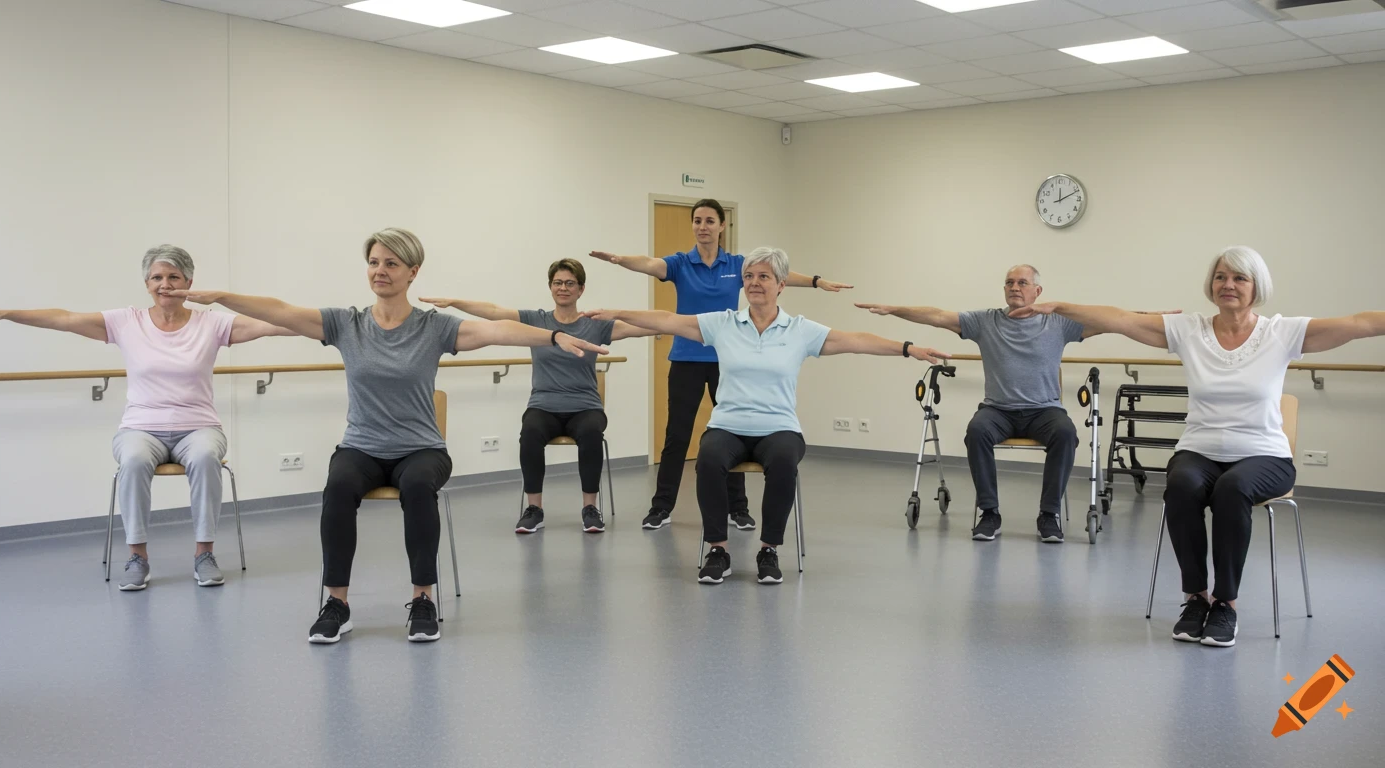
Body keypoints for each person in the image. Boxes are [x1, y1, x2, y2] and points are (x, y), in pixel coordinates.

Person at [170, 228, 608, 644]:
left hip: (422, 449)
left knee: (418, 487)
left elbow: (496, 330)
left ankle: (422, 599)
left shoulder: (434, 328)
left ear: (413, 272)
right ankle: (336, 604)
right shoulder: (346, 324)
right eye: (374, 262)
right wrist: (223, 297)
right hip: (361, 447)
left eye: (392, 263)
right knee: (338, 487)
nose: (380, 270)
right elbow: (282, 310)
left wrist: (553, 336)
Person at [1013, 246, 1384, 647]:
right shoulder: (1190, 331)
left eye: (1239, 278)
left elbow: (1359, 323)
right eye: (1221, 276)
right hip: (1199, 450)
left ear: (1257, 286)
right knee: (1183, 485)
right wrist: (1057, 307)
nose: (1228, 285)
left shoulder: (1283, 332)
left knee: (1232, 488)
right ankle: (1195, 598)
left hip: (1265, 455)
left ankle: (1226, 603)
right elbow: (1118, 319)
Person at [585, 247, 948, 585]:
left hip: (779, 429)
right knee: (707, 460)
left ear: (781, 285)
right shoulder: (722, 324)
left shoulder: (800, 330)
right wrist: (616, 313)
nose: (754, 284)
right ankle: (718, 550)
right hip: (727, 426)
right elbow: (666, 320)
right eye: (749, 277)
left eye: (763, 277)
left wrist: (907, 348)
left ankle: (769, 550)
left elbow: (854, 340)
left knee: (785, 461)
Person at [0, 245, 294, 590]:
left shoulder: (212, 323)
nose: (165, 284)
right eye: (157, 277)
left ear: (189, 281)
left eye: (174, 276)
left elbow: (272, 325)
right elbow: (64, 319)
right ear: (146, 283)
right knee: (132, 460)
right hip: (140, 428)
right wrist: (9, 313)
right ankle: (137, 557)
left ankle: (204, 554)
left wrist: (330, 325)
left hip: (200, 426)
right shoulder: (126, 321)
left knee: (205, 457)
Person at [589, 199, 852, 532]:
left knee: (733, 430)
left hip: (729, 360)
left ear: (722, 225)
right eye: (697, 220)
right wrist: (620, 260)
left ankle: (738, 509)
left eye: (710, 221)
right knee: (676, 436)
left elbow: (778, 274)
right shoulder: (681, 263)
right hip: (686, 357)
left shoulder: (739, 264)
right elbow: (649, 264)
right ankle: (661, 507)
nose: (703, 226)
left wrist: (816, 281)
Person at [421, 257, 656, 534]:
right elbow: (494, 312)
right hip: (543, 405)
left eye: (570, 283)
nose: (563, 288)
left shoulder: (594, 325)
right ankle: (534, 509)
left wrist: (680, 324)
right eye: (558, 283)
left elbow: (639, 328)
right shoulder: (537, 320)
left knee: (592, 432)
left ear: (581, 289)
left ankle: (590, 508)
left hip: (585, 407)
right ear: (550, 287)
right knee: (530, 432)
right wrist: (454, 301)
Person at [857, 265, 1088, 543]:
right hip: (998, 410)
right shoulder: (986, 321)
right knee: (977, 431)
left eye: (1022, 283)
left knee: (1065, 433)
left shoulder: (1059, 322)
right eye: (1009, 282)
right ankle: (990, 513)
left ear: (1037, 291)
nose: (1015, 287)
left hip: (1045, 410)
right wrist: (895, 309)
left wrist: (1146, 318)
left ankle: (1049, 515)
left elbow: (1110, 321)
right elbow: (938, 316)